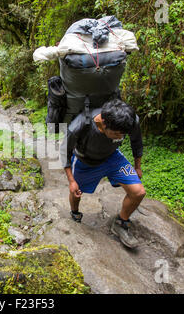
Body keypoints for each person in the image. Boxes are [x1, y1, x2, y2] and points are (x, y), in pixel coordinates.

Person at [60, 99, 145, 248]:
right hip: (84, 161)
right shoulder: (80, 125)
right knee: (76, 192)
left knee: (138, 192)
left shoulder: (129, 121)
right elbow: (64, 151)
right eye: (117, 134)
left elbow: (136, 141)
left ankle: (121, 222)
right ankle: (75, 214)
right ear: (103, 124)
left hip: (113, 158)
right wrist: (71, 180)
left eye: (123, 134)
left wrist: (137, 166)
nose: (120, 137)